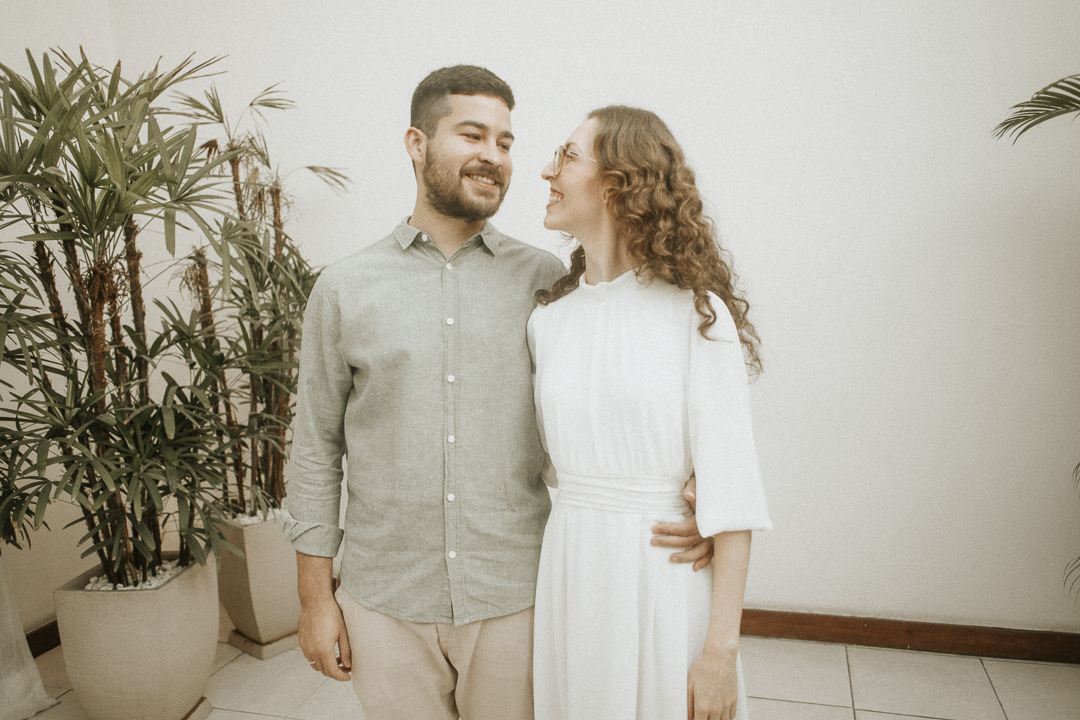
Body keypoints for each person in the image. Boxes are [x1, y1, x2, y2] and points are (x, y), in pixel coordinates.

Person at [280, 67, 712, 720]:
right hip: (383, 600)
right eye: (472, 134)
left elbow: (620, 391)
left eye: (505, 142)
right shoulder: (343, 288)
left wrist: (693, 484)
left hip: (518, 598)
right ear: (417, 143)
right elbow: (315, 447)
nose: (494, 155)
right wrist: (316, 600)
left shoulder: (550, 284)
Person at [528, 106, 773, 720]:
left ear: (618, 182)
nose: (547, 172)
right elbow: (546, 464)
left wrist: (720, 651)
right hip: (571, 570)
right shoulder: (547, 321)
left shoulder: (697, 315)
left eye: (567, 156)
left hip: (663, 572)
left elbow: (732, 494)